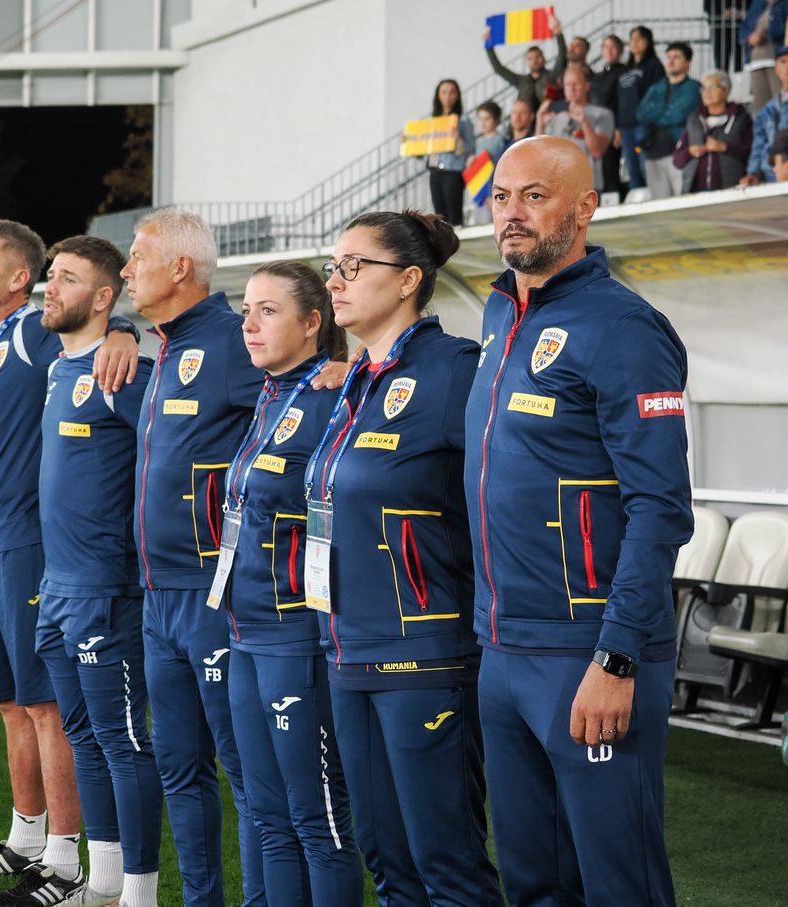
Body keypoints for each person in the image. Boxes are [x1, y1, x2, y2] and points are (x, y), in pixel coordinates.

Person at [469, 136, 692, 905]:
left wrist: (618, 657)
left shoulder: (624, 327)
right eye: (501, 197)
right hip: (503, 651)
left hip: (587, 652)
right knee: (534, 882)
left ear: (585, 206)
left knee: (618, 880)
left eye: (535, 195)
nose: (512, 213)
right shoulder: (501, 314)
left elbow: (660, 507)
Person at [307, 213, 503, 906]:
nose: (335, 280)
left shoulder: (453, 371)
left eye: (354, 266)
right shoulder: (354, 377)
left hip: (425, 656)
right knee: (388, 860)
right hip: (348, 653)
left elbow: (498, 497)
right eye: (334, 265)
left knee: (445, 863)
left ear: (410, 280)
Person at [0, 219, 139, 885]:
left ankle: (63, 847)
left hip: (32, 543)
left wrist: (123, 332)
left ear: (17, 277)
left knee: (47, 704)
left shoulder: (34, 328)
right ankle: (24, 833)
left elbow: (101, 328)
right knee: (8, 698)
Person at [122, 207, 266, 907]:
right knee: (180, 766)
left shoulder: (235, 340)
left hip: (217, 596)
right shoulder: (168, 345)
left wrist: (335, 372)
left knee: (246, 772)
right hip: (159, 598)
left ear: (180, 267)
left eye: (136, 257)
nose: (126, 270)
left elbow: (297, 399)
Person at [22, 235, 162, 907]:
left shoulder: (125, 371)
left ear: (103, 297)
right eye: (51, 275)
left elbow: (170, 461)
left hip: (108, 590)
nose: (50, 287)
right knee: (84, 736)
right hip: (57, 589)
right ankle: (101, 882)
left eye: (68, 278)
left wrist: (129, 336)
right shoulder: (58, 365)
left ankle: (139, 893)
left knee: (122, 740)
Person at [217, 261, 363, 905]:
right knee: (266, 816)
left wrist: (350, 365)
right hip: (245, 632)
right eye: (246, 310)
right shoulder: (269, 394)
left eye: (267, 311)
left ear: (313, 322)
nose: (248, 324)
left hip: (298, 638)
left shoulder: (337, 395)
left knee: (318, 822)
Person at [637, 42, 702, 199]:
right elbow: (641, 114)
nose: (671, 61)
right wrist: (665, 108)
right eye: (669, 57)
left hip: (678, 154)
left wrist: (656, 114)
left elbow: (678, 115)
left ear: (688, 63)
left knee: (682, 203)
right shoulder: (656, 87)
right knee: (659, 208)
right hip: (652, 154)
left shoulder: (693, 87)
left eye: (677, 57)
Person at [672, 71, 753, 191]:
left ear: (726, 91)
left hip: (731, 190)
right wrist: (690, 152)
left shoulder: (741, 119)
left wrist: (725, 148)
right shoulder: (694, 120)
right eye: (704, 88)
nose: (707, 92)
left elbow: (751, 153)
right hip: (696, 194)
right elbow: (677, 160)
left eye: (713, 87)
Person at [540, 64, 616, 192]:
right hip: (558, 186)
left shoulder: (603, 114)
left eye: (577, 83)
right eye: (568, 84)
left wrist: (584, 122)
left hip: (588, 186)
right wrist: (539, 124)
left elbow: (597, 151)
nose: (572, 88)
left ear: (587, 86)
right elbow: (541, 154)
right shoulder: (556, 118)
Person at [483, 14, 568, 111]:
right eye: (530, 58)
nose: (534, 61)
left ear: (544, 58)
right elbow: (498, 69)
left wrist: (558, 33)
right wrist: (489, 47)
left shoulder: (552, 76)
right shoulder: (521, 81)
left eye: (537, 57)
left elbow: (562, 58)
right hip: (524, 121)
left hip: (548, 119)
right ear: (527, 62)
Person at [616, 26, 663, 190]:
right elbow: (619, 99)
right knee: (632, 172)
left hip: (643, 126)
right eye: (632, 39)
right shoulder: (625, 69)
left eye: (639, 39)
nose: (634, 43)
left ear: (647, 42)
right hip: (625, 127)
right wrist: (617, 127)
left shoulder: (654, 65)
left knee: (646, 169)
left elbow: (657, 97)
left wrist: (650, 124)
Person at [426, 80, 475, 227]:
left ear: (457, 96)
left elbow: (469, 150)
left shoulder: (464, 121)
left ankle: (456, 246)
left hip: (453, 172)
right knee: (438, 216)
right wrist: (411, 143)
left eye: (452, 92)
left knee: (454, 216)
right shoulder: (432, 121)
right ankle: (444, 247)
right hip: (434, 170)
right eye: (444, 92)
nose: (447, 96)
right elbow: (425, 150)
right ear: (438, 95)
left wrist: (457, 138)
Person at [741, 46, 788, 184]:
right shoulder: (766, 110)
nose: (787, 67)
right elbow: (758, 144)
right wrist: (753, 172)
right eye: (783, 62)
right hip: (771, 176)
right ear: (776, 69)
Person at [591, 34, 628, 195]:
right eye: (605, 47)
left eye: (613, 47)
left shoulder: (624, 72)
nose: (609, 50)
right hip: (597, 129)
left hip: (613, 129)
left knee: (611, 168)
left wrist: (619, 127)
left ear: (619, 51)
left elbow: (623, 102)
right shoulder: (599, 76)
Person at [741, 0, 787, 112]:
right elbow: (744, 27)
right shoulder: (757, 3)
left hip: (776, 59)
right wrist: (749, 37)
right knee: (761, 105)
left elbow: (782, 28)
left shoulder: (784, 3)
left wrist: (764, 34)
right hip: (755, 61)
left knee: (780, 101)